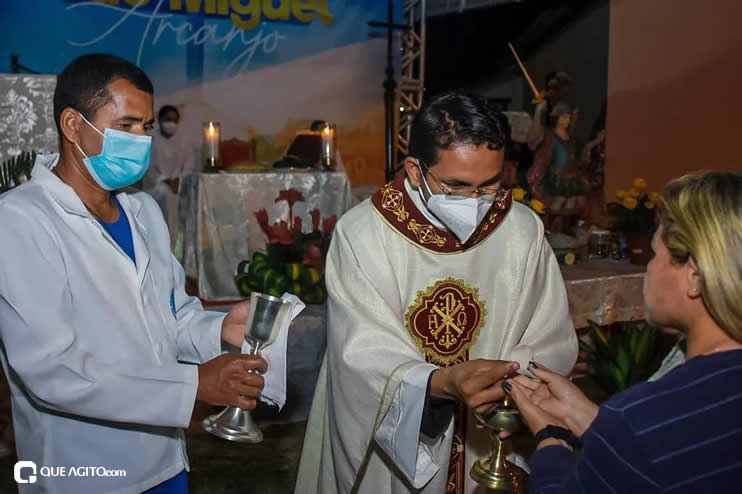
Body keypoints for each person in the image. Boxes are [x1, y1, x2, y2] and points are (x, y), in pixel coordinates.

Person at [0, 54, 273, 493]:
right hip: (84, 469)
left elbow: (172, 317)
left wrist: (221, 326)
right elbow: (52, 370)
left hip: (165, 459)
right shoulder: (21, 220)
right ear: (72, 126)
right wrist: (192, 386)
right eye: (125, 126)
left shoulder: (142, 211)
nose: (141, 141)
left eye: (145, 128)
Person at [295, 91, 577, 494]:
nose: (476, 203)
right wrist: (440, 382)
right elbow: (361, 354)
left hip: (491, 432)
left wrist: (506, 383)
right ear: (414, 170)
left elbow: (550, 332)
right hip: (398, 445)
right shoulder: (364, 234)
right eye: (457, 186)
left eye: (490, 186)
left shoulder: (521, 230)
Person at [505, 171, 742, 493]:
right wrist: (591, 419)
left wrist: (551, 439)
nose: (649, 268)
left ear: (695, 277)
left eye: (656, 255)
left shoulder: (645, 420)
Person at [143, 104, 195, 249]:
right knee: (166, 195)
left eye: (174, 120)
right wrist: (165, 180)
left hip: (180, 184)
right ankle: (165, 246)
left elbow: (189, 166)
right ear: (159, 120)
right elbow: (148, 168)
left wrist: (179, 180)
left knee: (189, 200)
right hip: (155, 186)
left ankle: (182, 250)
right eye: (167, 119)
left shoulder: (185, 140)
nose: (171, 123)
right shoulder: (151, 140)